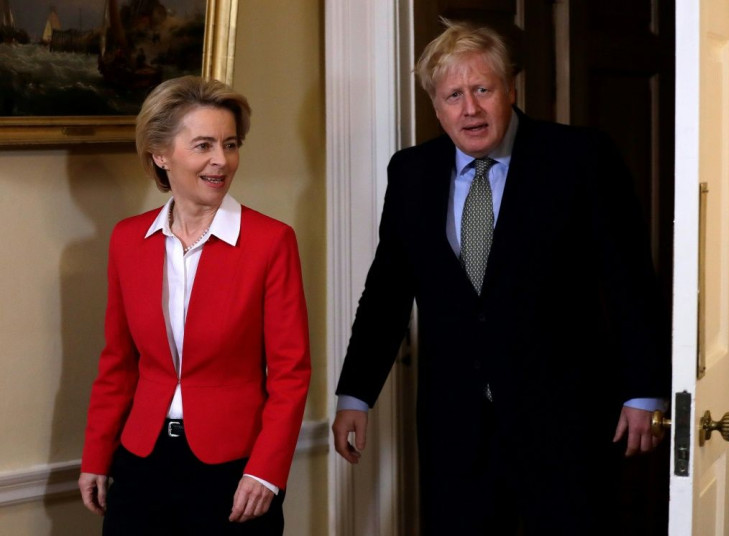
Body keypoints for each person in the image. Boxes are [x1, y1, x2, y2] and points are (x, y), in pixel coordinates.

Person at [332, 19, 669, 535]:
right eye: (452, 95)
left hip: (564, 424)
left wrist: (643, 389)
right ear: (435, 106)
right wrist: (356, 394)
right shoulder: (411, 172)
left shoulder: (580, 157)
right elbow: (387, 292)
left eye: (482, 89)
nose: (469, 108)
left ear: (510, 89)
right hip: (455, 428)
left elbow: (628, 280)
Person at [78, 76, 311, 535]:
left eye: (230, 144)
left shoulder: (271, 242)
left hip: (233, 469)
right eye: (203, 145)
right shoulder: (128, 240)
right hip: (141, 463)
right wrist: (97, 454)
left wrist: (265, 470)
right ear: (160, 155)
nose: (221, 161)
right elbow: (118, 364)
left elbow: (291, 372)